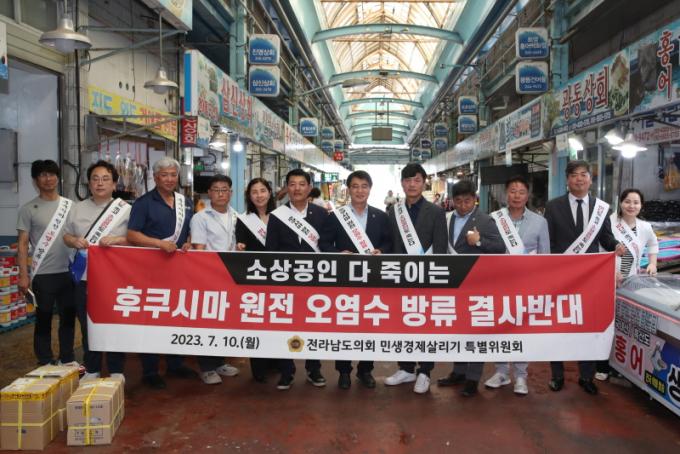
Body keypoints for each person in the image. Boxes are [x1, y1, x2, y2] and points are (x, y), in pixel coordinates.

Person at [544, 160, 624, 395]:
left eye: (583, 174)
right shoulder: (553, 206)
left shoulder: (601, 208)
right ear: (567, 180)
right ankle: (557, 376)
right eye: (574, 175)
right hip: (560, 277)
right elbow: (549, 242)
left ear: (590, 179)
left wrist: (616, 245)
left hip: (590, 279)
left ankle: (587, 376)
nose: (579, 179)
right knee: (558, 325)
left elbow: (605, 238)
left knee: (587, 326)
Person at [127, 157, 197, 389]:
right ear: (156, 178)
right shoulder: (144, 203)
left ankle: (175, 363)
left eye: (173, 175)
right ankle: (150, 370)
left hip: (178, 271)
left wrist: (188, 242)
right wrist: (158, 243)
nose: (169, 179)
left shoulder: (185, 202)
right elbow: (132, 235)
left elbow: (189, 230)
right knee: (151, 319)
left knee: (176, 316)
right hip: (150, 272)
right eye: (164, 175)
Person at [319, 170, 392, 390]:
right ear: (348, 190)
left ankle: (365, 369)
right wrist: (337, 254)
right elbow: (323, 243)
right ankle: (343, 371)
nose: (360, 191)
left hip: (372, 280)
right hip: (345, 280)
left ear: (370, 189)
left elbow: (389, 242)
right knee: (344, 325)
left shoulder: (381, 216)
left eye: (364, 186)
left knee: (369, 325)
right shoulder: (336, 216)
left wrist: (381, 251)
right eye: (355, 186)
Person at [436, 180, 505, 397]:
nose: (462, 205)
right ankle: (458, 371)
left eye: (467, 201)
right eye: (458, 201)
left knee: (476, 331)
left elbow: (500, 248)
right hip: (453, 284)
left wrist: (479, 241)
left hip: (477, 285)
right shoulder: (447, 218)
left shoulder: (485, 220)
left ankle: (473, 378)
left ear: (474, 199)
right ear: (452, 201)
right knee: (458, 329)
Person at [482, 175, 550, 396]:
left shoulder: (540, 222)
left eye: (521, 192)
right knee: (500, 326)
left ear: (527, 195)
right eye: (513, 191)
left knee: (522, 329)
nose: (517, 196)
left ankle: (521, 375)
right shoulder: (493, 219)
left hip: (526, 284)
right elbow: (487, 251)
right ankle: (501, 371)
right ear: (506, 194)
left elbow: (545, 256)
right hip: (499, 283)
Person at [63, 160, 130, 381]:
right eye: (95, 179)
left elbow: (134, 239)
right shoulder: (77, 208)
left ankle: (116, 369)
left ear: (114, 184)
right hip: (84, 278)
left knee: (115, 323)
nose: (100, 183)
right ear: (89, 183)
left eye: (105, 179)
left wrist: (117, 240)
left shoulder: (126, 210)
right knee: (87, 324)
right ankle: (91, 368)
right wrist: (74, 241)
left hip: (115, 279)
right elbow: (66, 236)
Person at [384, 163, 448, 394]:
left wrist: (436, 278)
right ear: (402, 183)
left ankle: (425, 371)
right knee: (402, 324)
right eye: (408, 180)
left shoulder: (436, 212)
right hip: (400, 278)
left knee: (426, 325)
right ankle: (406, 368)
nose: (412, 184)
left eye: (417, 180)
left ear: (424, 183)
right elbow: (391, 245)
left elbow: (440, 248)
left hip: (427, 279)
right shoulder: (394, 212)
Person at [266, 169, 329, 390]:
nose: (297, 189)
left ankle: (314, 369)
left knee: (314, 325)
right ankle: (287, 371)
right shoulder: (277, 215)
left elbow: (327, 245)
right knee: (286, 326)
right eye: (292, 184)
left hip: (316, 280)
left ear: (309, 187)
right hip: (286, 281)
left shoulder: (322, 214)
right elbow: (271, 250)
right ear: (287, 188)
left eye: (302, 184)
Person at [594, 188, 659, 382]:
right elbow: (599, 249)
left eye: (636, 202)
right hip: (608, 281)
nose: (631, 206)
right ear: (620, 203)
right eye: (627, 201)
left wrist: (653, 263)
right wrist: (609, 271)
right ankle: (602, 365)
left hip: (631, 283)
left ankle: (622, 366)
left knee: (625, 324)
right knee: (606, 324)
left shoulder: (645, 227)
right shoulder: (609, 222)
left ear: (641, 205)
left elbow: (653, 244)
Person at [17, 160, 77, 366]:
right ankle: (44, 360)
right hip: (43, 274)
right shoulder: (28, 209)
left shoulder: (70, 206)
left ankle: (67, 357)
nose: (48, 178)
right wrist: (23, 275)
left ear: (58, 178)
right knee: (43, 319)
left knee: (68, 318)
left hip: (69, 272)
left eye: (51, 174)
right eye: (42, 175)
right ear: (36, 180)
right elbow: (22, 243)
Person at [190, 175, 240, 385]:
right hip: (208, 278)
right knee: (208, 322)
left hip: (230, 277)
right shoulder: (200, 218)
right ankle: (207, 368)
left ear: (231, 193)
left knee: (224, 321)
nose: (221, 193)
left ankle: (220, 362)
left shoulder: (237, 216)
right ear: (209, 193)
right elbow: (199, 250)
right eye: (216, 190)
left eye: (224, 189)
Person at [236, 178, 277, 383]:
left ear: (270, 192)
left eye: (263, 190)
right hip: (255, 277)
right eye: (254, 192)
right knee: (257, 321)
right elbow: (240, 241)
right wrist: (239, 246)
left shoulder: (281, 216)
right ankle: (259, 366)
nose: (259, 195)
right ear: (249, 196)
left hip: (278, 276)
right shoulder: (244, 219)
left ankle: (276, 361)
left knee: (277, 320)